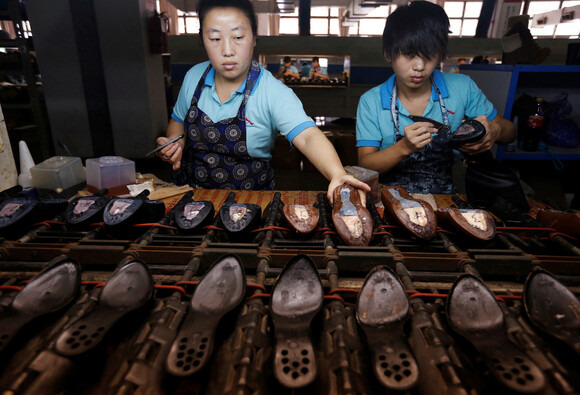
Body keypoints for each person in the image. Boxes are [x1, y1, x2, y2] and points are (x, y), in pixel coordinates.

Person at [155, 0, 369, 202]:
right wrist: (176, 142)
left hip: (251, 202)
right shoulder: (194, 77)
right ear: (203, 39)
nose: (227, 50)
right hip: (193, 197)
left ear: (254, 38)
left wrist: (337, 174)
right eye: (215, 39)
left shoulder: (272, 91)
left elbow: (308, 137)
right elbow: (178, 120)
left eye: (238, 37)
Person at [355, 1, 515, 194]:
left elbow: (510, 133)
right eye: (409, 54)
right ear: (388, 54)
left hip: (444, 199)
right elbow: (366, 165)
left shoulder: (462, 87)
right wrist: (404, 147)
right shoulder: (370, 101)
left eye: (429, 55)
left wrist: (495, 131)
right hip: (389, 201)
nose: (420, 66)